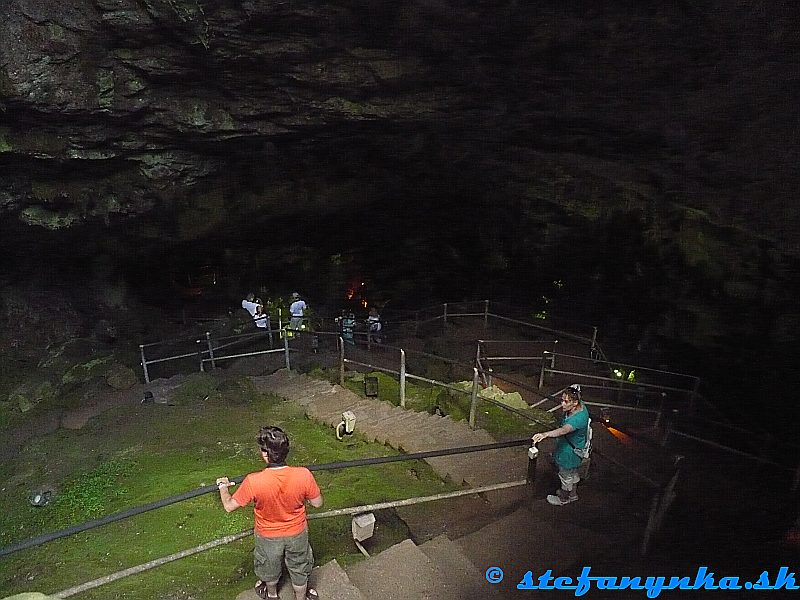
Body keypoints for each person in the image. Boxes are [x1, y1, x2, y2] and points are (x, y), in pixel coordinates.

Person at [217, 426, 323, 600]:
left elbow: (229, 506)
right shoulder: (303, 474)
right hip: (297, 532)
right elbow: (317, 503)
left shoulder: (253, 481)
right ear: (285, 452)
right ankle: (301, 597)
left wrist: (223, 487)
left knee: (269, 567)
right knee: (299, 567)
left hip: (268, 536)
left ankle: (272, 595)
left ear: (266, 454)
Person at [531, 384, 589, 506]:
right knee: (572, 473)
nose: (562, 404)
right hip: (575, 448)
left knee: (565, 475)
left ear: (575, 403)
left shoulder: (576, 420)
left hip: (568, 452)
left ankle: (564, 498)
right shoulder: (580, 407)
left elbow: (563, 430)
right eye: (562, 400)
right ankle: (573, 495)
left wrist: (545, 434)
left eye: (566, 401)